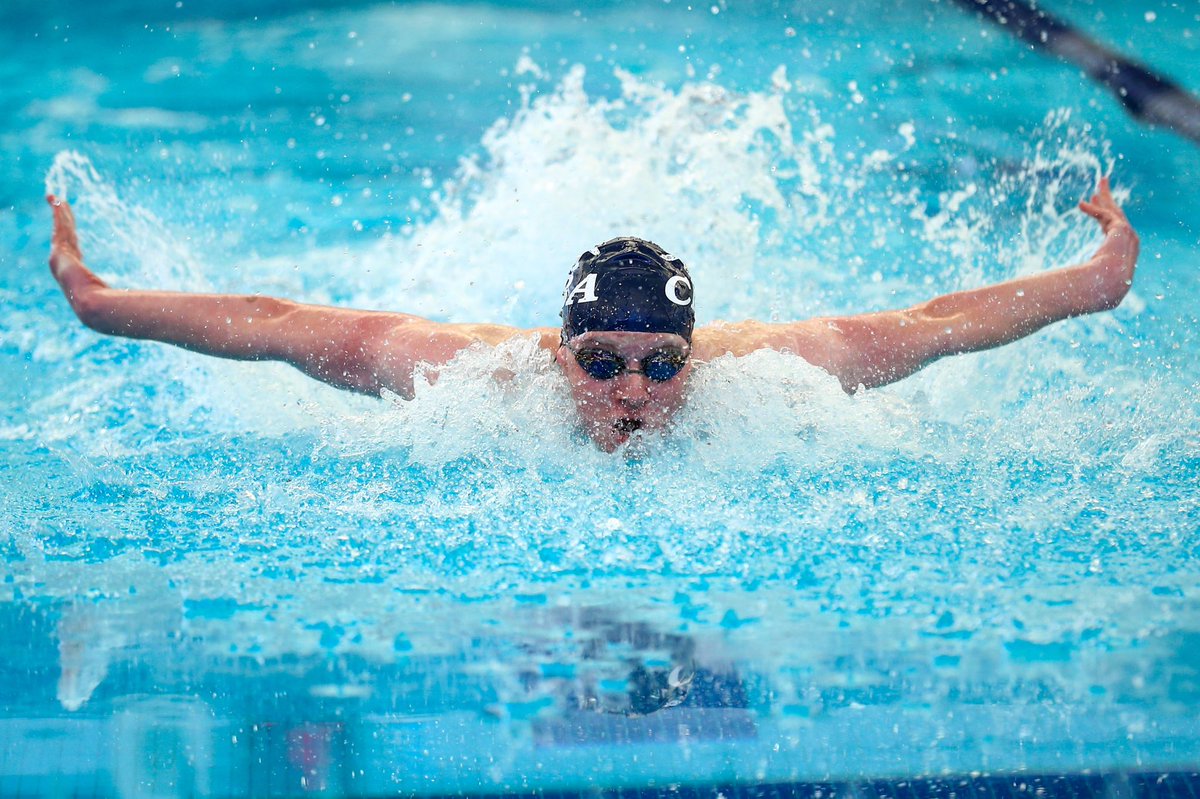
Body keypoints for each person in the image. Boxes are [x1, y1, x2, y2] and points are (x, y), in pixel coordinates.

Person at [46, 178, 1138, 452]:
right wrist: (102, 304)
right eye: (601, 360)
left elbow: (939, 321)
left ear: (694, 356)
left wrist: (1096, 279)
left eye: (662, 366)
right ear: (558, 347)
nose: (630, 391)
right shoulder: (473, 376)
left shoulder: (773, 371)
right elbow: (282, 321)